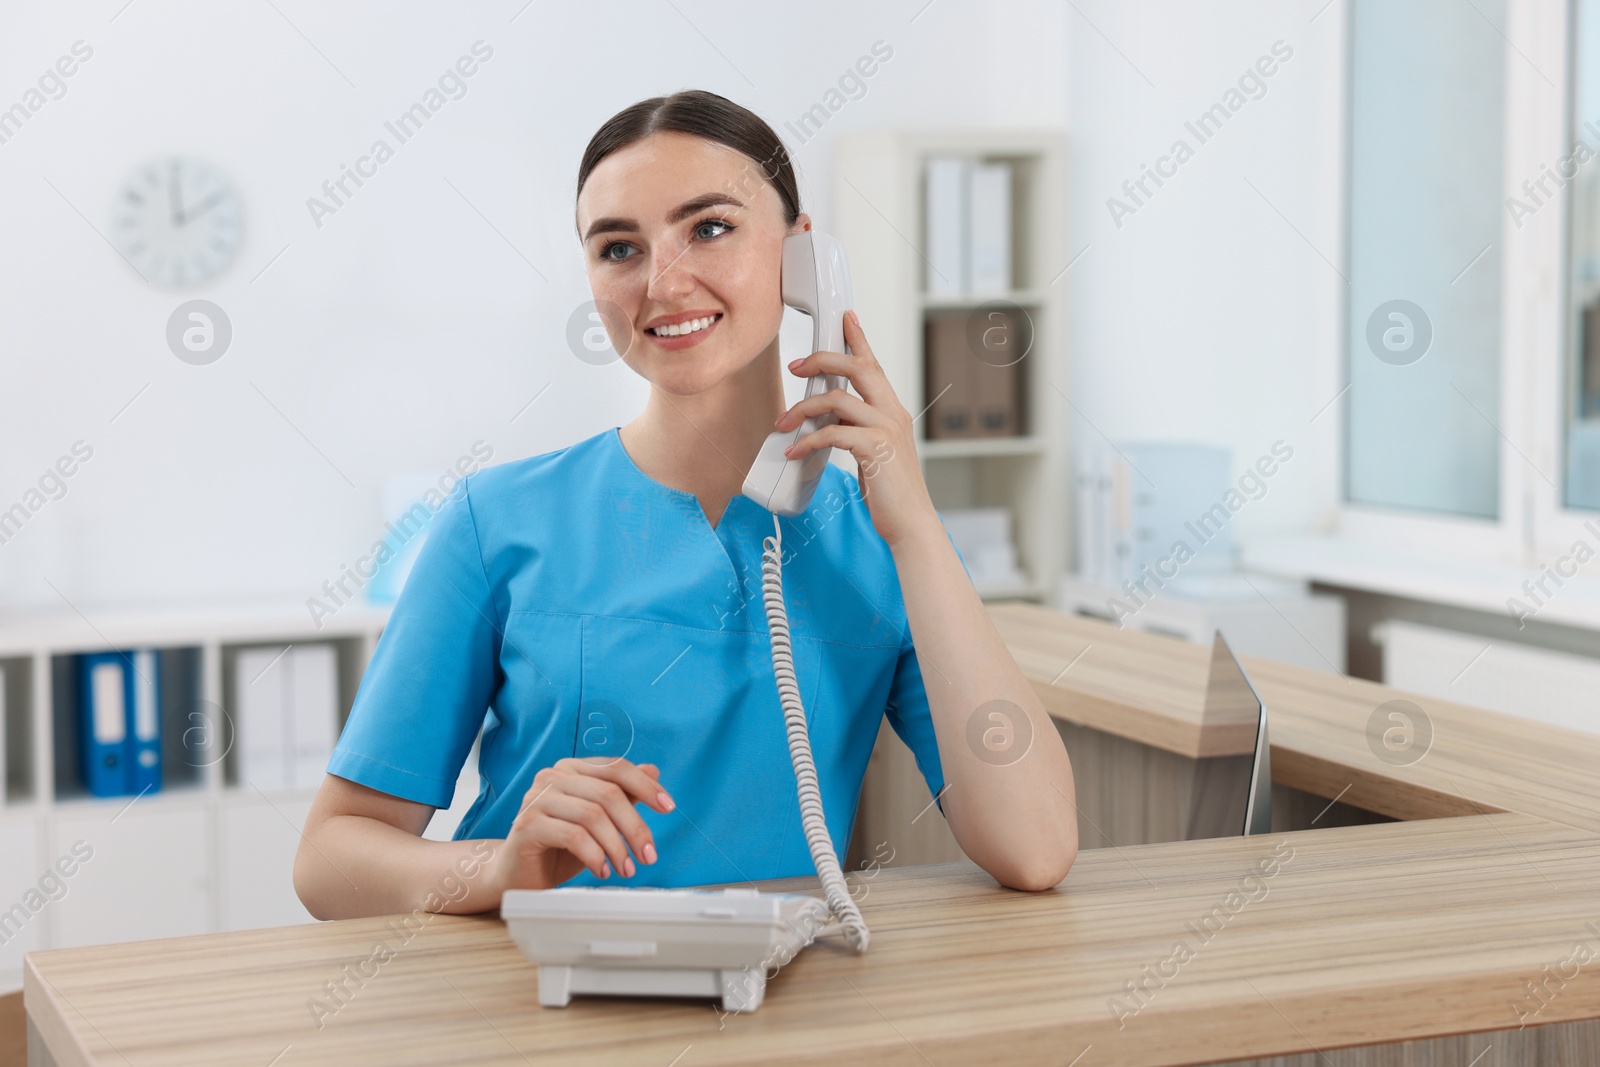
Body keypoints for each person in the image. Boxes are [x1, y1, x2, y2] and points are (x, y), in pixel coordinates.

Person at [293, 89, 1078, 920]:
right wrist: (496, 869)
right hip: (537, 1015)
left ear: (804, 257)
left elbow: (1033, 847)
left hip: (774, 1017)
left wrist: (915, 525)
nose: (662, 282)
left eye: (709, 227)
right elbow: (329, 856)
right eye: (620, 248)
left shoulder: (879, 540)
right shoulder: (497, 522)